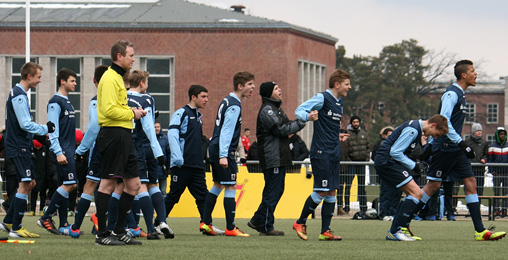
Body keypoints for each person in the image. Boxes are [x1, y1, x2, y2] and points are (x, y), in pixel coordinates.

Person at [413, 60, 506, 241]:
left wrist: (459, 145)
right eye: (473, 71)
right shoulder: (451, 94)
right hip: (446, 148)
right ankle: (402, 223)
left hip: (455, 149)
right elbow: (443, 120)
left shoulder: (461, 95)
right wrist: (455, 143)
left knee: (471, 182)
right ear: (464, 75)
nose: (476, 74)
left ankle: (480, 231)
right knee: (433, 186)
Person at [94, 40, 146, 246]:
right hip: (113, 135)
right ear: (119, 57)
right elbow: (107, 111)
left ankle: (118, 231)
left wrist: (131, 114)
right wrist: (131, 112)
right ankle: (101, 234)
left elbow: (117, 108)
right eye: (131, 55)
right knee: (106, 184)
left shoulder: (117, 77)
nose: (133, 59)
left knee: (133, 185)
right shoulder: (109, 78)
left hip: (124, 135)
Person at [292, 69, 351, 241]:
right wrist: (308, 116)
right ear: (337, 84)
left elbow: (328, 126)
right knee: (322, 191)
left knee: (332, 192)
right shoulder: (322, 98)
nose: (350, 87)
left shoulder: (339, 103)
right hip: (321, 152)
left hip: (333, 151)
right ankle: (300, 221)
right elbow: (299, 110)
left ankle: (325, 231)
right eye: (347, 84)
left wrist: (337, 135)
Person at [0, 62, 54, 238]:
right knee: (26, 183)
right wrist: (45, 129)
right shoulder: (19, 96)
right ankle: (16, 227)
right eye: (38, 77)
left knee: (29, 183)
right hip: (18, 146)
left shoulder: (19, 94)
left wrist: (39, 137)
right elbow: (24, 124)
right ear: (29, 76)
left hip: (21, 144)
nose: (39, 81)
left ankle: (8, 222)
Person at [375, 115, 448, 241]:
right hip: (386, 161)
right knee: (416, 193)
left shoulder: (416, 128)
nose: (435, 137)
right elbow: (395, 152)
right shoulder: (414, 130)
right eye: (436, 133)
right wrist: (414, 166)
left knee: (415, 193)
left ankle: (399, 228)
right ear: (433, 125)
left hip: (389, 162)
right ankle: (395, 230)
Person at [200, 71, 255, 237]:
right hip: (223, 149)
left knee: (218, 184)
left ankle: (205, 223)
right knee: (230, 185)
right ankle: (230, 227)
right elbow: (226, 131)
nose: (253, 87)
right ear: (240, 86)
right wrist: (224, 154)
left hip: (216, 147)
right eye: (250, 84)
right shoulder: (234, 104)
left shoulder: (227, 100)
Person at [164, 85, 224, 236]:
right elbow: (172, 135)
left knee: (202, 196)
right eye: (203, 96)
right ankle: (159, 222)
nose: (206, 100)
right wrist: (177, 158)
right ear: (193, 97)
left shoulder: (199, 118)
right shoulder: (181, 113)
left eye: (207, 97)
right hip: (182, 165)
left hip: (197, 166)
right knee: (174, 195)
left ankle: (206, 224)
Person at [247, 81, 306, 236]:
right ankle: (266, 226)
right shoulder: (268, 110)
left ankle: (257, 220)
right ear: (268, 93)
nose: (280, 89)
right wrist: (302, 122)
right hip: (272, 157)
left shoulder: (276, 109)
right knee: (272, 192)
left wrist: (300, 121)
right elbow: (282, 129)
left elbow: (286, 126)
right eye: (276, 88)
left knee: (277, 190)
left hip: (279, 157)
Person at [125, 70, 170, 240]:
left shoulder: (121, 96)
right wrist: (158, 151)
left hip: (121, 145)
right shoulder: (146, 98)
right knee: (148, 185)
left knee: (118, 187)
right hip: (142, 147)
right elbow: (149, 127)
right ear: (142, 83)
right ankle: (155, 225)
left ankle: (124, 226)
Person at [36, 68, 79, 237]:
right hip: (62, 150)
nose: (75, 84)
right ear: (62, 81)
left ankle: (63, 225)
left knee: (65, 185)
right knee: (71, 184)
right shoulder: (55, 102)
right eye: (72, 81)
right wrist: (58, 152)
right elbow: (52, 129)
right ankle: (46, 217)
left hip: (69, 149)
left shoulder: (68, 101)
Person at [68, 65, 108, 238]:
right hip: (119, 146)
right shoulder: (120, 98)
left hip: (101, 147)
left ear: (94, 80)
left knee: (90, 186)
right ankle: (102, 224)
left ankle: (75, 227)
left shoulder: (97, 99)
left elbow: (94, 127)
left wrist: (81, 150)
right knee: (112, 187)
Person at [371, 126, 400, 221]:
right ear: (384, 135)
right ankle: (384, 213)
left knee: (396, 194)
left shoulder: (397, 144)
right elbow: (375, 157)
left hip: (395, 172)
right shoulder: (379, 145)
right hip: (385, 172)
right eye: (389, 135)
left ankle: (394, 213)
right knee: (385, 194)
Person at [346, 115, 370, 213]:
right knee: (348, 186)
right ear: (351, 123)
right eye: (354, 122)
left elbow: (368, 147)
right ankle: (346, 207)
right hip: (351, 163)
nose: (356, 123)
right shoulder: (347, 134)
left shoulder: (364, 133)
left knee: (361, 187)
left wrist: (367, 158)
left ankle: (363, 208)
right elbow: (345, 148)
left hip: (361, 163)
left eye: (357, 122)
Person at [488, 127, 508, 216]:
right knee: (496, 192)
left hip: (506, 173)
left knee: (505, 192)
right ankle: (496, 210)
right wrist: (492, 171)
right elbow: (490, 160)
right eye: (500, 134)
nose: (502, 136)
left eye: (503, 134)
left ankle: (504, 209)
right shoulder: (492, 147)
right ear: (497, 135)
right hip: (497, 173)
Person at [465, 123, 489, 196]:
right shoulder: (467, 142)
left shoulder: (484, 143)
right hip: (470, 169)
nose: (479, 132)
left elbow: (486, 154)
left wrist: (484, 159)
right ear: (473, 132)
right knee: (469, 188)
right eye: (477, 130)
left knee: (479, 188)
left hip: (480, 169)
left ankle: (478, 204)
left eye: (480, 130)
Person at [155, 121, 170, 196]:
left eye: (158, 127)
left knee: (163, 191)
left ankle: (164, 207)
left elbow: (169, 153)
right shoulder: (149, 138)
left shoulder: (165, 138)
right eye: (155, 127)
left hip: (163, 170)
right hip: (153, 169)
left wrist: (168, 167)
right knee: (152, 192)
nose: (156, 129)